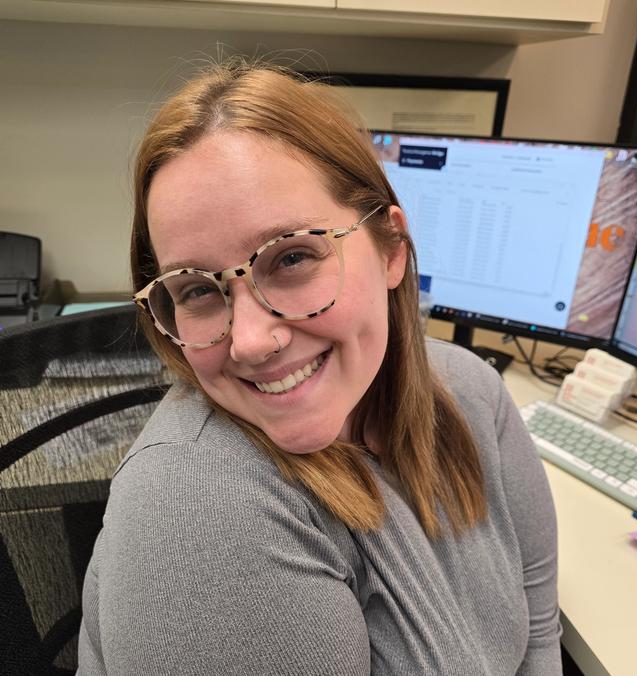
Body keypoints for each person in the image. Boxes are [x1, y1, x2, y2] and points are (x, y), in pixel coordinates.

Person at [77, 60, 562, 675]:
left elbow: (538, 631)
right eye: (196, 289)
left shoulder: (471, 393)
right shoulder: (200, 507)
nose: (251, 342)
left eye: (293, 257)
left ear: (391, 249)